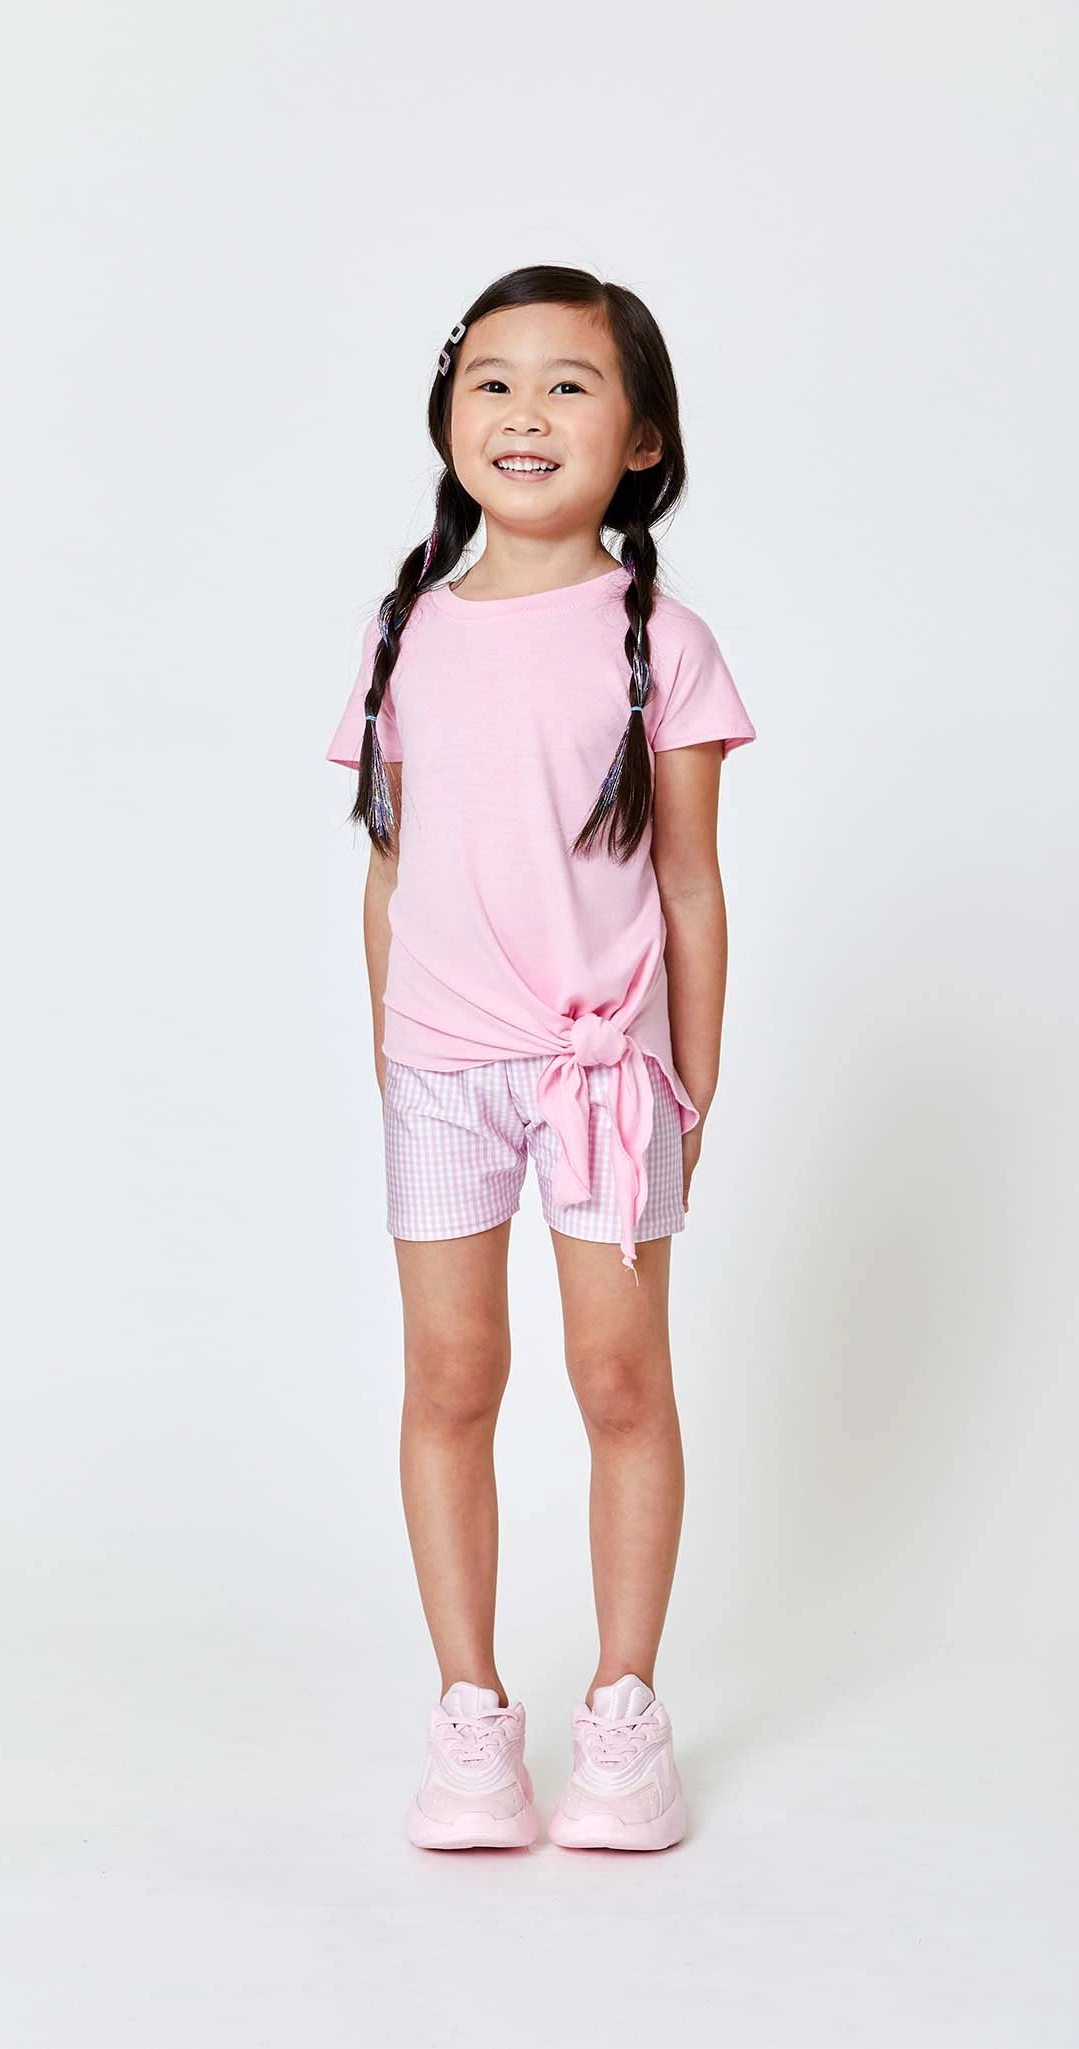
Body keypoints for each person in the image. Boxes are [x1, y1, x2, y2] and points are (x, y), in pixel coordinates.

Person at [325, 265, 757, 1852]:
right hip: (441, 1077)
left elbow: (691, 888)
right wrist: (393, 1061)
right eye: (490, 381)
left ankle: (623, 1720)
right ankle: (470, 1721)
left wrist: (688, 1090)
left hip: (604, 1080)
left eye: (569, 384)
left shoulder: (665, 643)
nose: (523, 413)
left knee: (617, 1380)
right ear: (447, 417)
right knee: (450, 1380)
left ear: (640, 439)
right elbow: (389, 870)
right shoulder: (404, 635)